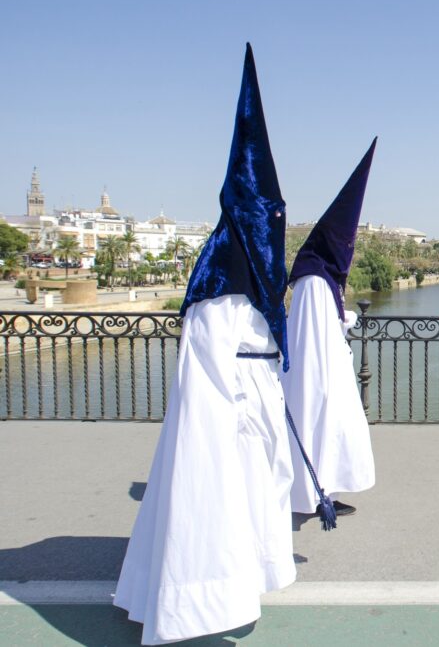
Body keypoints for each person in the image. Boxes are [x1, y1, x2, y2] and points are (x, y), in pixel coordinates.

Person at [114, 44, 296, 645]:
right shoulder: (221, 276)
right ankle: (196, 608)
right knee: (211, 505)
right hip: (226, 413)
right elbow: (212, 363)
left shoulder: (242, 269)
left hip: (254, 400)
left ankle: (238, 590)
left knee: (250, 503)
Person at [284, 139, 378, 518]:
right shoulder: (314, 281)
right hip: (317, 378)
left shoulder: (319, 278)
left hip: (325, 372)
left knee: (333, 435)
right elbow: (312, 336)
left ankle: (323, 489)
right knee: (321, 431)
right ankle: (313, 494)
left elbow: (324, 326)